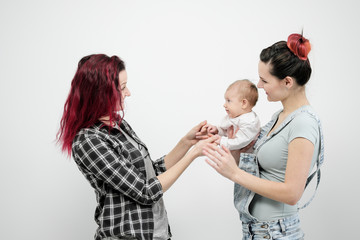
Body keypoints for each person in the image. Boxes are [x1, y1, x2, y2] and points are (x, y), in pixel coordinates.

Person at [56, 54, 218, 240]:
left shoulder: (118, 125)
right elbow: (145, 191)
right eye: (122, 88)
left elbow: (151, 173)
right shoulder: (88, 141)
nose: (129, 93)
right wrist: (194, 154)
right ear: (101, 92)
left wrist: (188, 142)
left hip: (156, 233)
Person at [202, 33, 324, 240]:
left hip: (276, 233)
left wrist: (234, 174)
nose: (258, 85)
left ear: (287, 82)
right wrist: (231, 145)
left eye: (264, 80)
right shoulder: (280, 117)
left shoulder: (304, 123)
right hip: (257, 231)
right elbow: (257, 171)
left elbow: (292, 194)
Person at [199, 79, 261, 151]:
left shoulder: (249, 122)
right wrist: (217, 130)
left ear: (244, 103)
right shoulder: (235, 115)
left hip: (244, 160)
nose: (224, 105)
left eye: (229, 101)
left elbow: (240, 142)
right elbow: (227, 132)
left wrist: (221, 141)